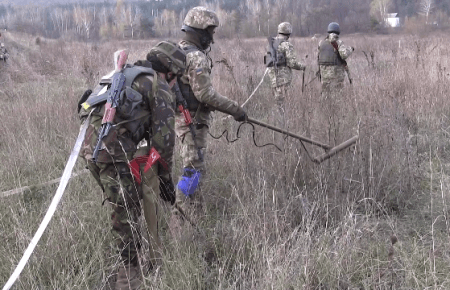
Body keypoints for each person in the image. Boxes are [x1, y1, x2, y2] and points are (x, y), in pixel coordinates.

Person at [78, 41, 185, 290]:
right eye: (176, 77)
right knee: (126, 215)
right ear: (169, 72)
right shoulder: (158, 86)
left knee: (124, 205)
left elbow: (88, 107)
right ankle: (129, 276)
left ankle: (132, 256)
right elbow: (164, 142)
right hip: (113, 153)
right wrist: (165, 178)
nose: (174, 83)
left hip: (89, 150)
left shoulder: (121, 74)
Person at [173, 6, 246, 221]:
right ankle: (179, 215)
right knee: (192, 170)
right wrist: (236, 109)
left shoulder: (178, 51)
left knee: (194, 165)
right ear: (199, 32)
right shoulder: (196, 57)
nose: (212, 40)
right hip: (192, 122)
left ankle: (195, 209)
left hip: (180, 119)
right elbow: (205, 94)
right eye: (210, 33)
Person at [267, 22, 306, 125]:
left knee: (277, 103)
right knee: (284, 106)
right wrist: (302, 66)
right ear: (288, 32)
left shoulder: (273, 42)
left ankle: (276, 124)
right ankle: (284, 126)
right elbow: (292, 63)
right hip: (283, 79)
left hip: (273, 79)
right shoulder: (286, 45)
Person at [317, 22, 354, 97]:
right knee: (337, 95)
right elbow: (344, 55)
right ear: (338, 31)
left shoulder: (321, 43)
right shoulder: (338, 42)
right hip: (336, 73)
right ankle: (336, 108)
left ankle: (324, 108)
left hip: (324, 73)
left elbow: (318, 57)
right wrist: (350, 49)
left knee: (325, 94)